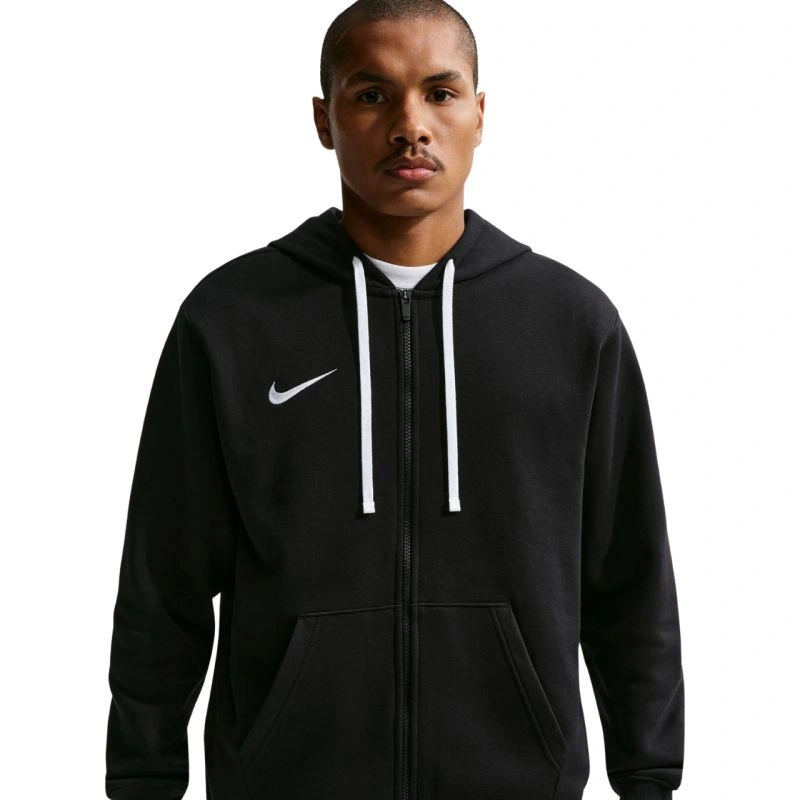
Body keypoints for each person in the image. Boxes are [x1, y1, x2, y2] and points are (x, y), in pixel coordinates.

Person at [105, 1, 685, 798]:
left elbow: (631, 578)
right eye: (372, 95)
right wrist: (143, 778)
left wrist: (648, 777)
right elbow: (162, 579)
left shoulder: (571, 324)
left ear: (480, 114)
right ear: (324, 119)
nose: (410, 126)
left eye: (440, 93)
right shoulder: (232, 321)